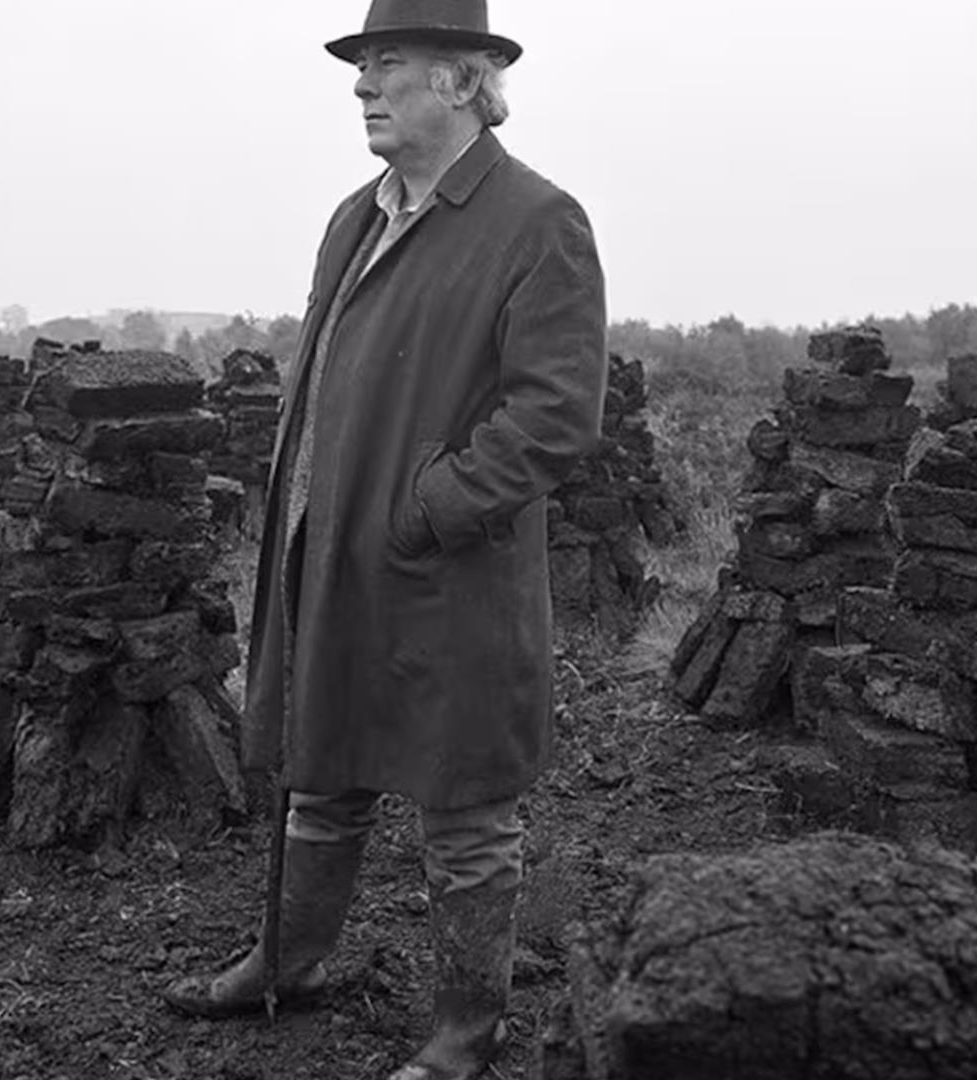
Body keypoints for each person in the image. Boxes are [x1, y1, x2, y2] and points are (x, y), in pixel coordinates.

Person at [162, 1, 607, 1076]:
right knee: (323, 768)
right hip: (333, 552)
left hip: (446, 568)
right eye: (362, 66)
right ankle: (290, 960)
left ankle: (465, 1032)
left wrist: (431, 508)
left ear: (462, 81)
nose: (363, 86)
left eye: (388, 64)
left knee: (464, 800)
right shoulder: (354, 216)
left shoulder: (538, 221)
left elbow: (555, 417)